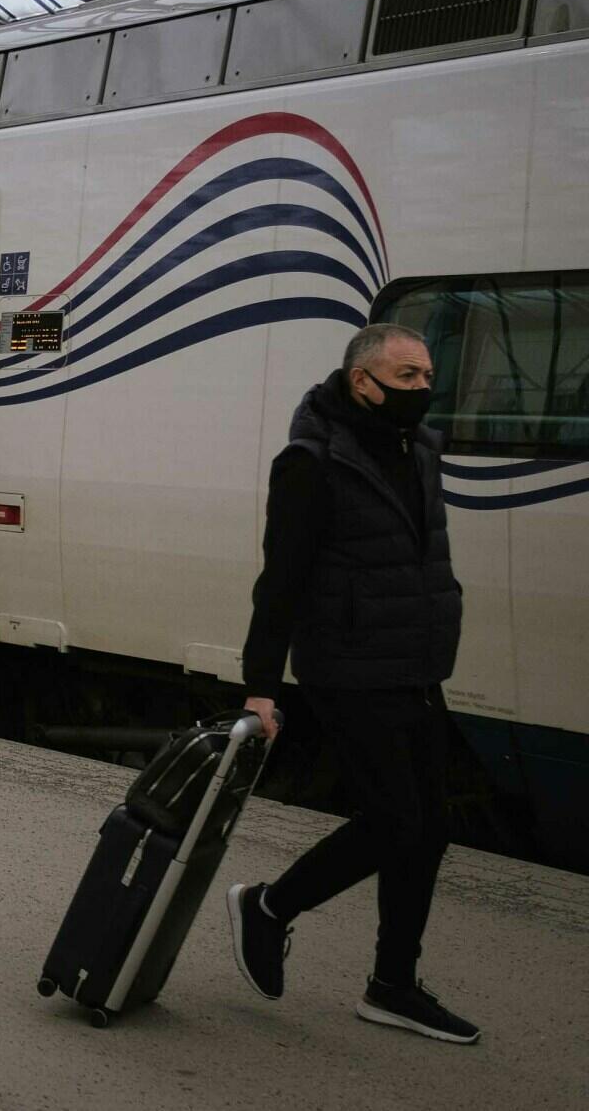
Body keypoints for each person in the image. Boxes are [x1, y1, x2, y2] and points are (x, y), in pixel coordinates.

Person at [228, 325, 476, 1044]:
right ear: (362, 381)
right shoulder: (311, 463)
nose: (422, 389)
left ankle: (392, 986)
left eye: (428, 374)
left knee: (430, 831)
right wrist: (261, 685)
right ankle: (269, 909)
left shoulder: (419, 450)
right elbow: (280, 582)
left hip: (415, 663)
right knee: (396, 822)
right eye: (406, 376)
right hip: (345, 668)